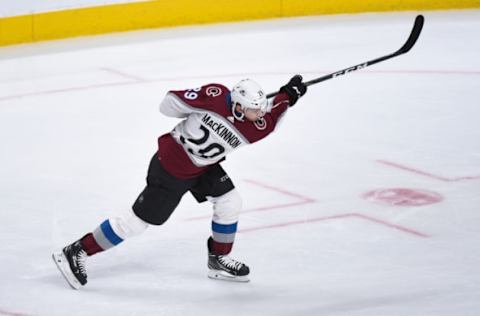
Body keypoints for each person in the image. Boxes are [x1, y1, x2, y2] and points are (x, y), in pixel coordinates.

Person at [52, 75, 307, 289]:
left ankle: (218, 259)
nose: (259, 113)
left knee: (230, 202)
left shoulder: (246, 118)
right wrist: (287, 96)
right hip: (170, 167)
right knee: (136, 224)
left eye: (260, 108)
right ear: (238, 107)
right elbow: (168, 104)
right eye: (254, 109)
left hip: (202, 167)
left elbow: (274, 110)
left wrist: (288, 94)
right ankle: (77, 250)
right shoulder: (220, 100)